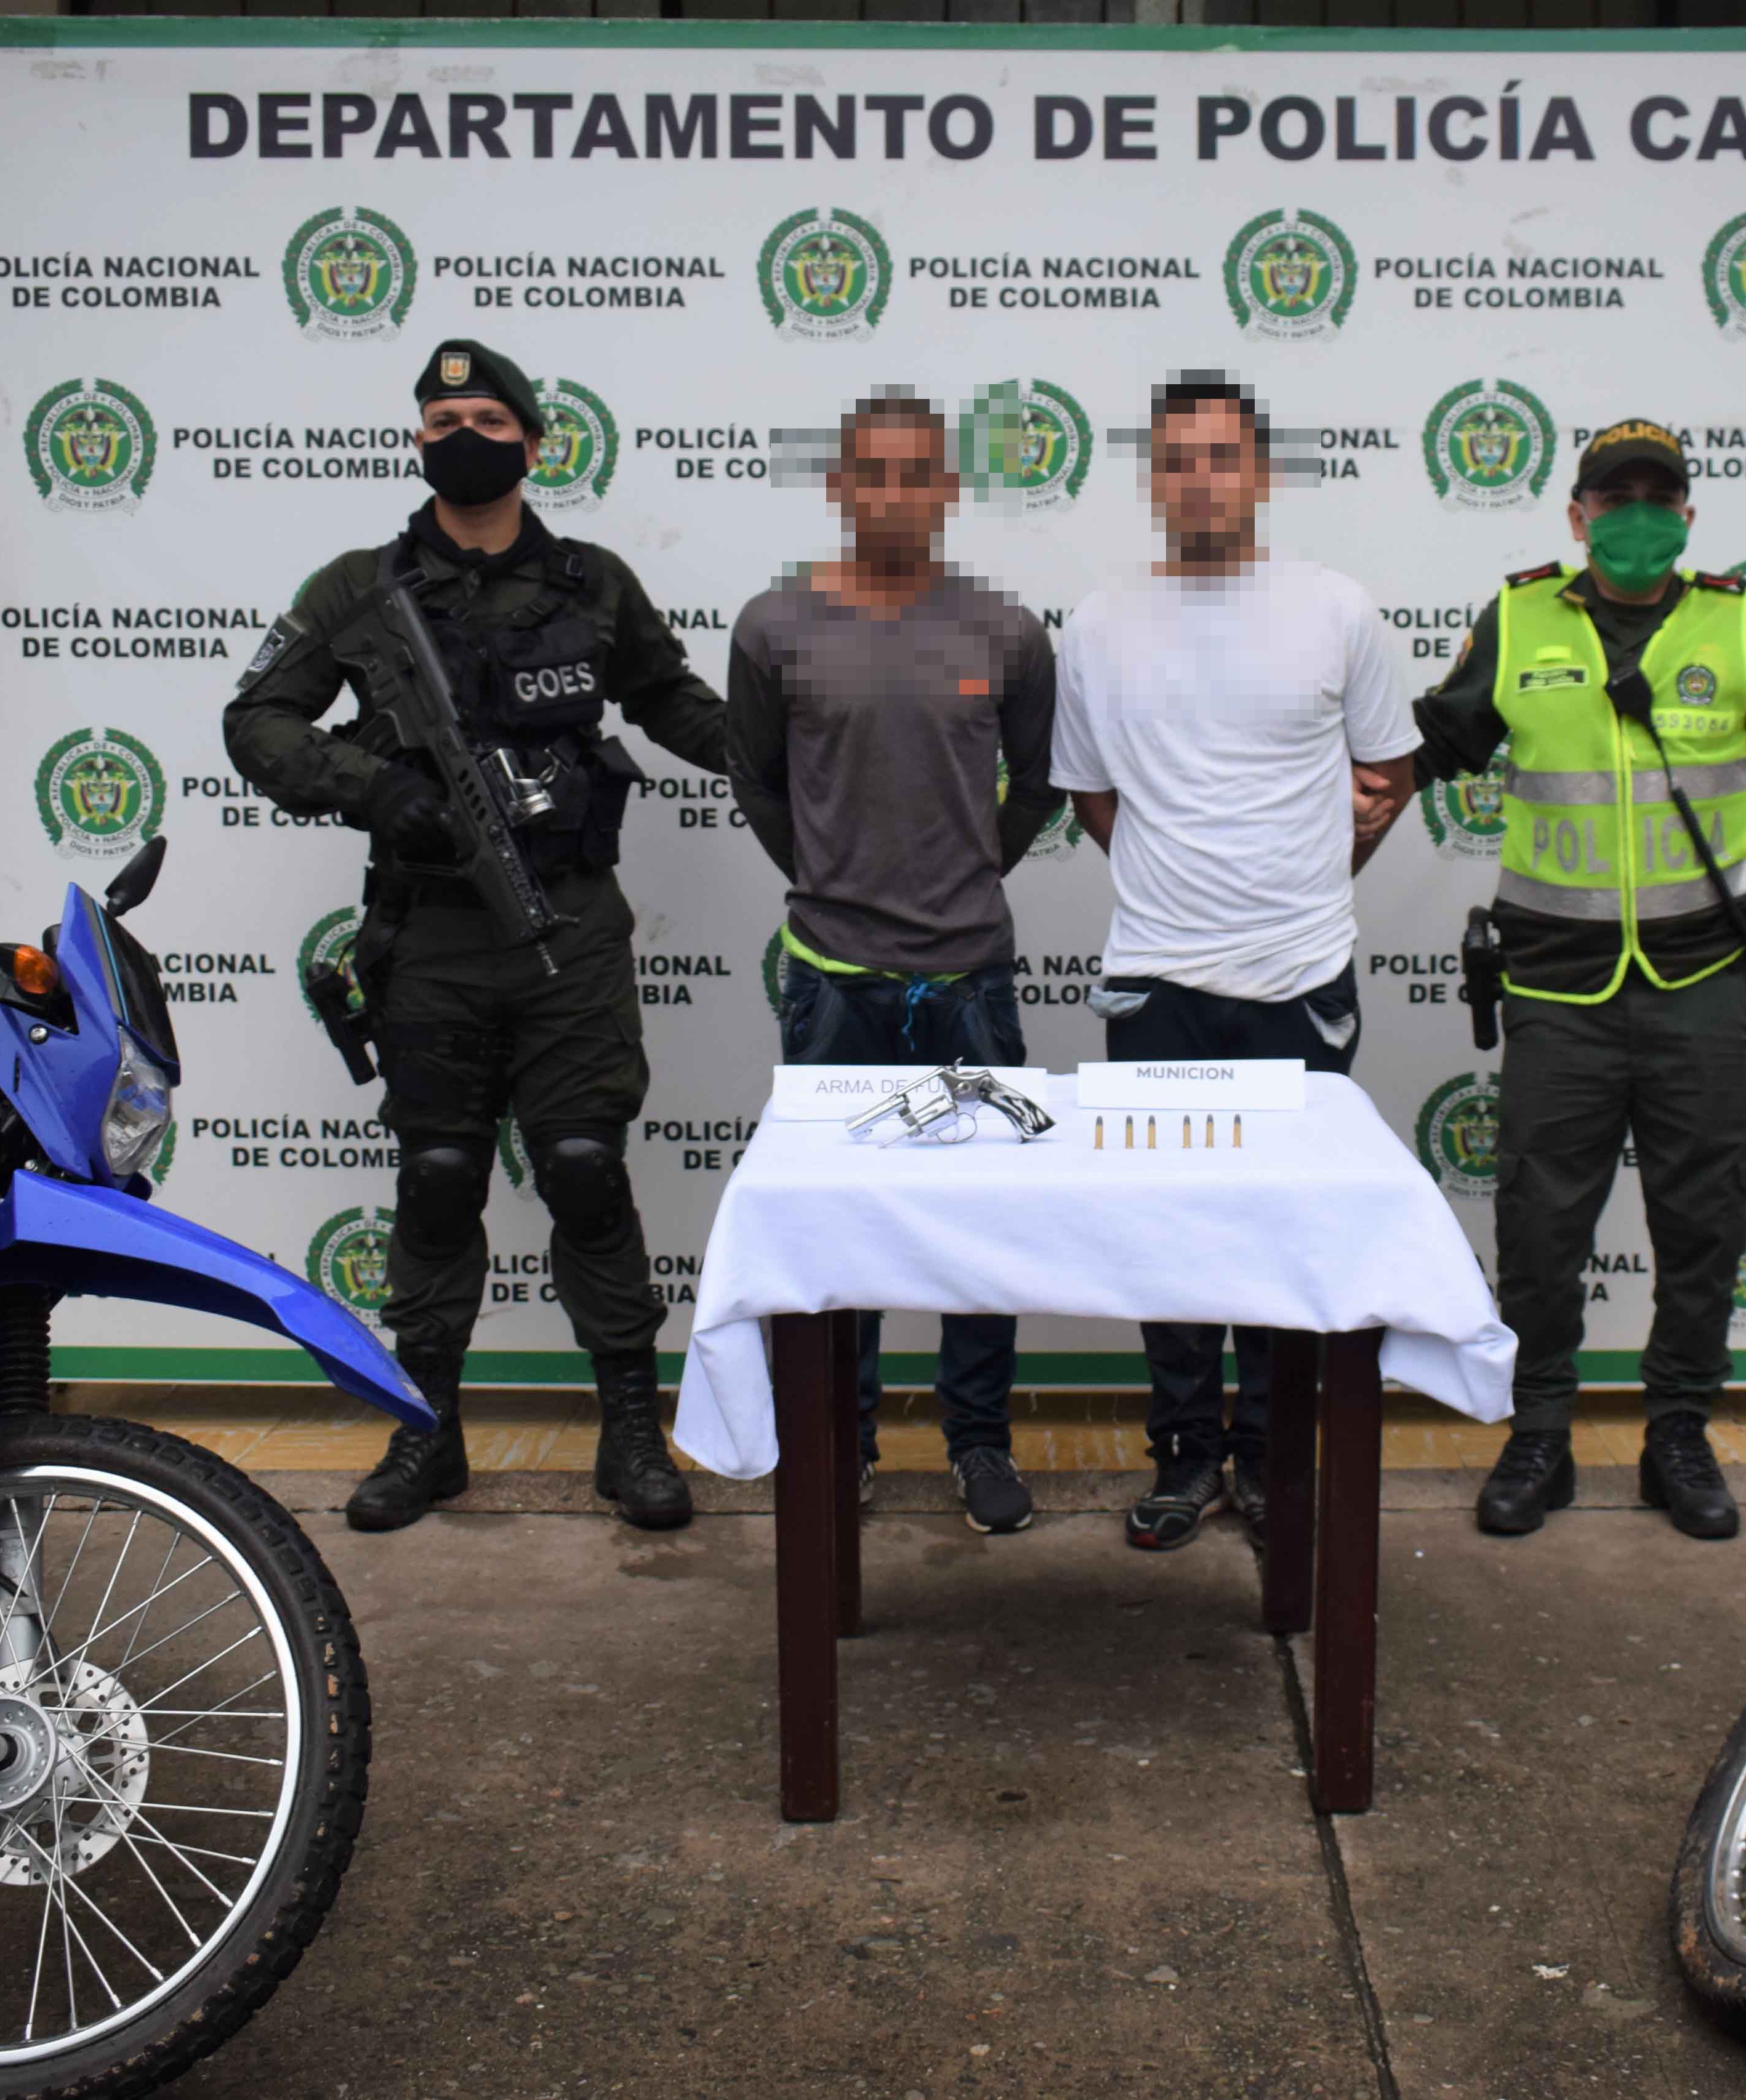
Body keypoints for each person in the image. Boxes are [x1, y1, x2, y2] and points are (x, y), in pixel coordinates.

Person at [227, 337, 729, 1535]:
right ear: (419, 438)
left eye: (489, 418)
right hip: (430, 940)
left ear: (532, 441)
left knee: (585, 1172)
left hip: (570, 934)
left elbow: (671, 701)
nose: (465, 432)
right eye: (443, 414)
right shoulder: (359, 587)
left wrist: (785, 751)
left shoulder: (596, 581)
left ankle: (629, 1433)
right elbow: (258, 716)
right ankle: (428, 1433)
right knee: (439, 1180)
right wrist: (365, 785)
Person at [1413, 417, 1746, 1542]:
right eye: (1614, 496)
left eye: (1657, 497)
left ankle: (1676, 1436)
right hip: (1557, 984)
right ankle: (1536, 1432)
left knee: (1703, 1220)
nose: (1635, 515)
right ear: (1576, 514)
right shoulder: (1515, 616)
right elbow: (1435, 744)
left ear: (1685, 515)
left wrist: (1707, 911)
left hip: (1701, 982)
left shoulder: (1744, 624)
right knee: (1540, 1222)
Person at [1052, 372, 1417, 1552]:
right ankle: (1182, 1458)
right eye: (1173, 457)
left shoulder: (1336, 611)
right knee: (1166, 1238)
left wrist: (1294, 888)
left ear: (1259, 472)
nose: (1197, 477)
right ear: (1150, 477)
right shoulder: (1099, 622)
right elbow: (1094, 799)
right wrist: (1185, 892)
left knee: (1280, 1238)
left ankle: (1266, 1458)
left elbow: (1384, 777)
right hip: (1154, 981)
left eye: (1218, 455)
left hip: (1298, 983)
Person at [729, 389, 1061, 1534]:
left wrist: (968, 873)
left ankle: (977, 1443)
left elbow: (1040, 785)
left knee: (983, 1226)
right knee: (838, 1232)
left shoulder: (1006, 632)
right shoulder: (772, 628)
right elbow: (760, 786)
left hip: (968, 974)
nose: (892, 495)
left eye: (916, 474)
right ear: (837, 486)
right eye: (870, 473)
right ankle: (844, 1443)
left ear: (947, 492)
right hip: (832, 979)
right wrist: (834, 879)